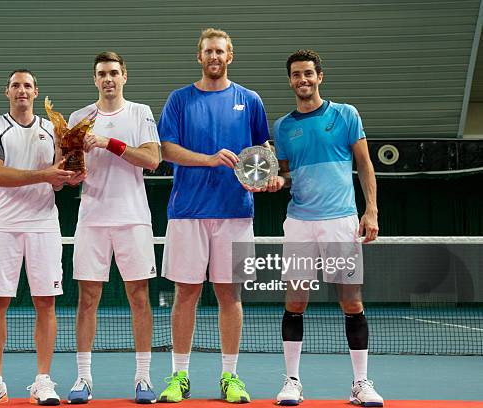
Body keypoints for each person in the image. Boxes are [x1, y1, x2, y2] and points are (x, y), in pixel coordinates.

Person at [157, 28, 273, 404]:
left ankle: (231, 377)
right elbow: (166, 150)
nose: (214, 56)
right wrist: (208, 159)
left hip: (235, 213)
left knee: (229, 294)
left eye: (220, 51)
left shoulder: (249, 99)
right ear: (199, 56)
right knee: (185, 293)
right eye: (208, 51)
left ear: (230, 56)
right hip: (187, 212)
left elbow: (263, 148)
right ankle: (179, 376)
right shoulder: (179, 100)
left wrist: (263, 175)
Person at [272, 49, 384, 407]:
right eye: (296, 75)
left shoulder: (346, 114)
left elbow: (365, 165)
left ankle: (361, 383)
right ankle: (292, 381)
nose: (302, 80)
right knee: (295, 301)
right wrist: (277, 181)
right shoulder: (284, 126)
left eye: (308, 73)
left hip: (341, 221)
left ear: (320, 76)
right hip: (300, 223)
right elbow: (288, 176)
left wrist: (371, 211)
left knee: (351, 303)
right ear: (290, 80)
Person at [0, 69, 81, 406]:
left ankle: (43, 382)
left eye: (28, 86)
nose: (22, 90)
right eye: (16, 85)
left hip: (44, 225)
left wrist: (69, 175)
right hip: (3, 225)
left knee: (45, 302)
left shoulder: (52, 129)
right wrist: (44, 175)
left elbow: (58, 177)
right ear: (7, 92)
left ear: (37, 93)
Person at [65, 51, 161, 405]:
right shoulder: (77, 118)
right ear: (94, 79)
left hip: (133, 218)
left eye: (114, 73)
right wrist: (71, 173)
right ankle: (83, 379)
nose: (108, 79)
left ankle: (143, 379)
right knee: (87, 300)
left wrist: (109, 143)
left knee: (140, 299)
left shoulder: (140, 113)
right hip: (92, 220)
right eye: (102, 74)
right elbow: (71, 167)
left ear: (124, 77)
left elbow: (152, 159)